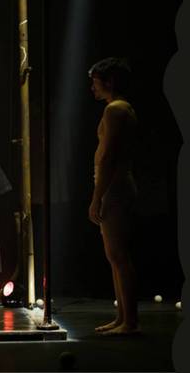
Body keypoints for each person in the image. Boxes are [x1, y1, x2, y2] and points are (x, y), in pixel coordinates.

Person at [88, 57, 140, 335]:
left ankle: (129, 321)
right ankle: (122, 318)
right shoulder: (119, 108)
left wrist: (97, 197)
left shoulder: (115, 110)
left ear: (109, 82)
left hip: (115, 188)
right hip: (115, 186)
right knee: (114, 256)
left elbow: (108, 157)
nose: (92, 88)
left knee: (119, 255)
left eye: (96, 82)